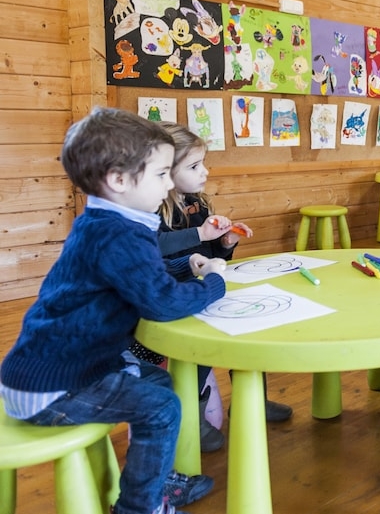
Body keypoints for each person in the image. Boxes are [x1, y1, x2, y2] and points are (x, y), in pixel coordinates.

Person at [0, 108, 226, 514]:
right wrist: (213, 282)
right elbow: (161, 305)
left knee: (158, 383)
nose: (168, 183)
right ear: (119, 180)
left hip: (58, 368)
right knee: (163, 407)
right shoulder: (121, 233)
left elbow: (138, 279)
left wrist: (184, 269)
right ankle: (140, 507)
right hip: (54, 387)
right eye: (160, 174)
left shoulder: (105, 222)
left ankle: (154, 478)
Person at [155, 122, 292, 451]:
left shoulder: (198, 203)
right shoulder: (153, 207)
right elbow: (155, 247)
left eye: (203, 163)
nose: (204, 172)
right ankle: (194, 419)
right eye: (193, 166)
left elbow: (211, 254)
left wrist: (226, 243)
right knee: (202, 350)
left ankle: (253, 400)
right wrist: (200, 237)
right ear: (164, 171)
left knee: (246, 329)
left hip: (206, 286)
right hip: (173, 294)